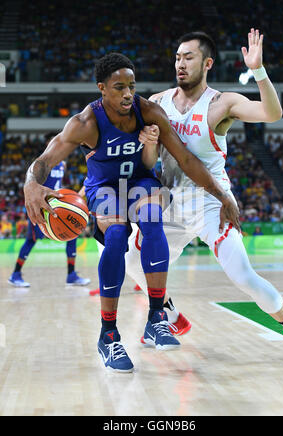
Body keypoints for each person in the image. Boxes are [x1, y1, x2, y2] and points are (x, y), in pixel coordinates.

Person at [23, 53, 240, 372]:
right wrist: (30, 183)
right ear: (102, 88)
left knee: (152, 221)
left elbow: (186, 160)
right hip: (105, 188)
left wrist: (222, 195)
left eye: (131, 86)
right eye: (118, 87)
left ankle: (157, 317)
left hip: (140, 182)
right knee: (114, 235)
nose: (127, 93)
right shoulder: (86, 122)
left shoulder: (149, 111)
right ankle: (108, 335)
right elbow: (44, 160)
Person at [124, 29, 283, 363]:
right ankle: (170, 316)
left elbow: (272, 114)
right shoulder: (158, 102)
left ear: (207, 63)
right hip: (171, 201)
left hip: (212, 202)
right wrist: (148, 145)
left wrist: (259, 70)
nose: (180, 63)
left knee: (242, 275)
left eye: (188, 57)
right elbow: (149, 161)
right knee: (131, 262)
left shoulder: (222, 103)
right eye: (177, 57)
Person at [8, 132, 91, 288]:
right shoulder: (40, 164)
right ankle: (15, 274)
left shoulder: (63, 164)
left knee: (72, 234)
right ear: (49, 145)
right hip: (40, 207)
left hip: (57, 207)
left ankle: (71, 275)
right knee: (31, 240)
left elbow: (56, 185)